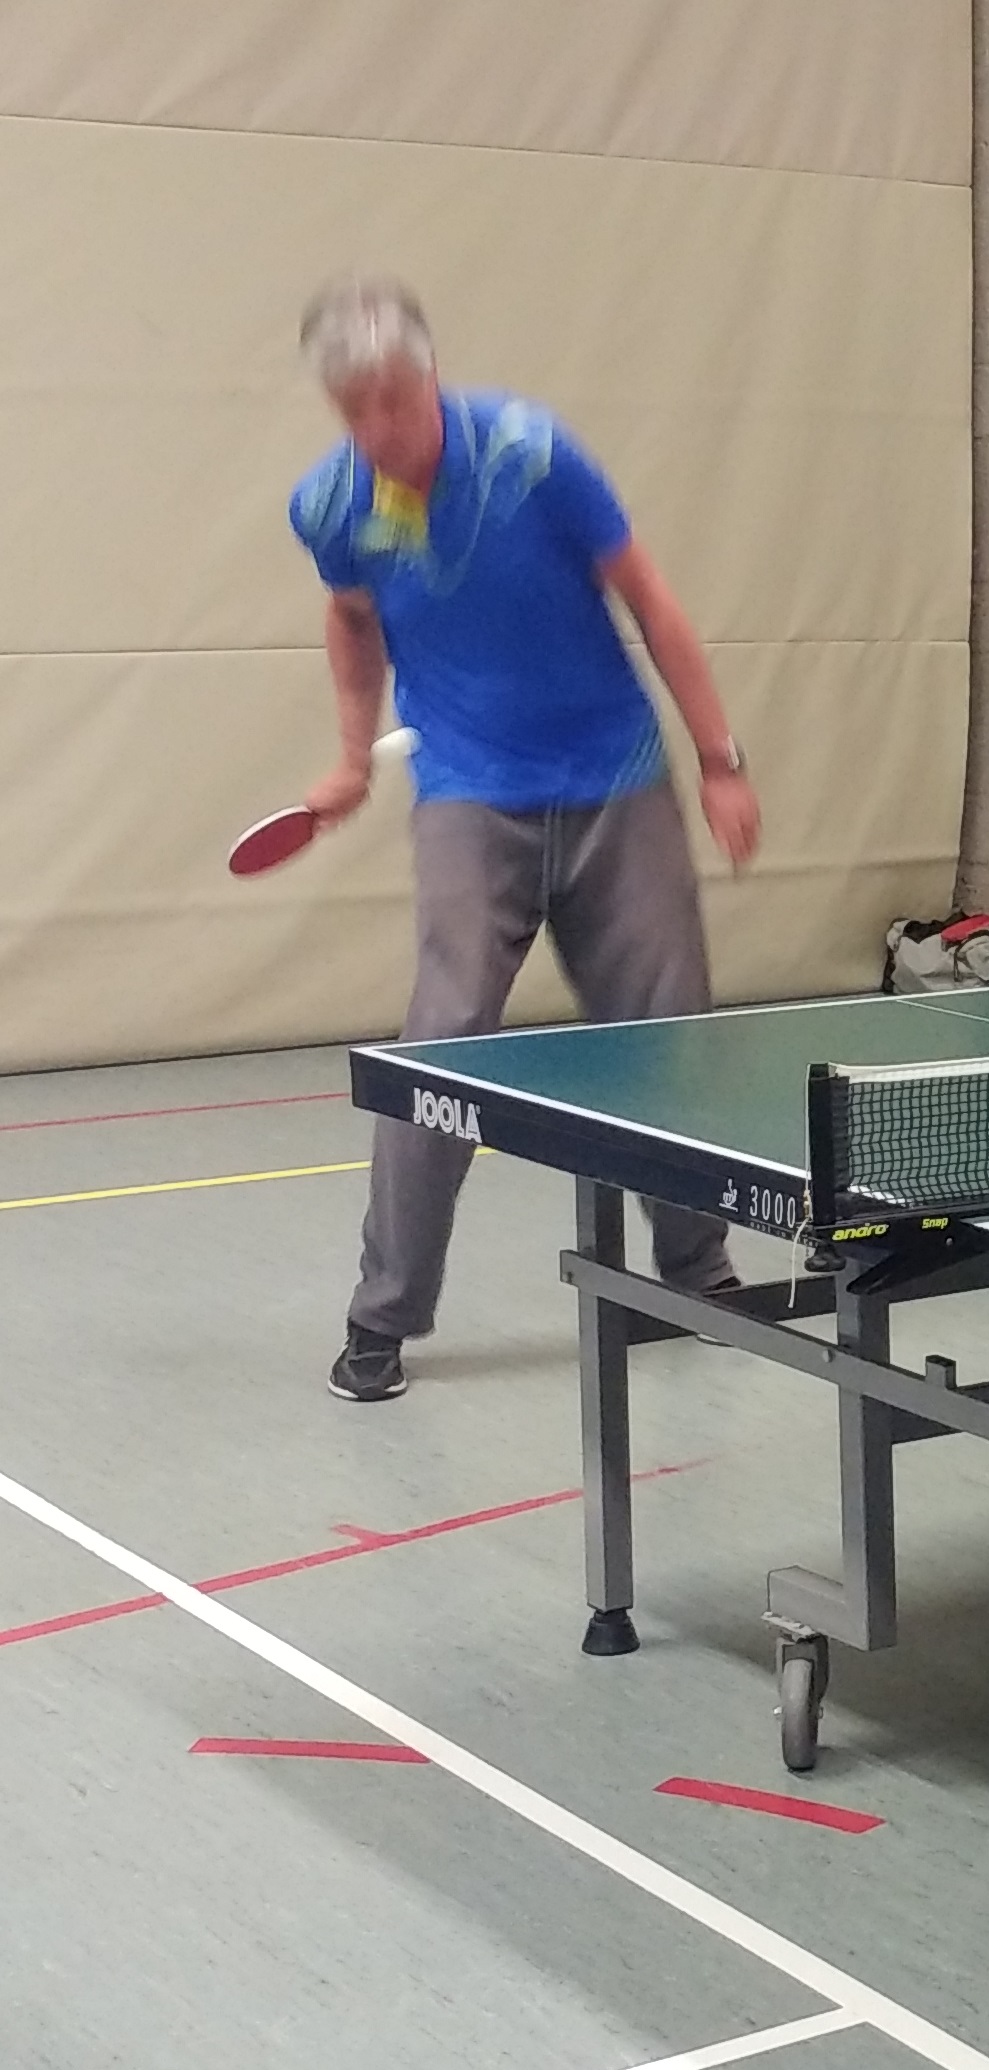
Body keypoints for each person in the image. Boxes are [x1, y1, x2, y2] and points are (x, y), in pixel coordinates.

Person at [292, 273, 762, 1402]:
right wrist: (352, 754)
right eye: (354, 411)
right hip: (468, 794)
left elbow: (651, 600)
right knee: (441, 1050)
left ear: (431, 379)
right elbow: (351, 618)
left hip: (615, 783)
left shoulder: (532, 456)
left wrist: (719, 761)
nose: (377, 430)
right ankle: (381, 1318)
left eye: (394, 402)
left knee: (666, 1039)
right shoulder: (332, 503)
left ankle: (699, 1273)